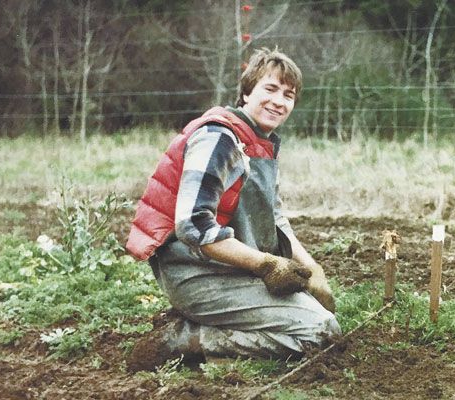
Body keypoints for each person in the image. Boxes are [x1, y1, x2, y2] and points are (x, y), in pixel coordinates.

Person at [124, 48, 340, 372]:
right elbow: (194, 226)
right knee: (321, 333)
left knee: (316, 315)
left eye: (289, 95)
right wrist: (267, 264)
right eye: (270, 89)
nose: (279, 101)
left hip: (230, 271)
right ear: (246, 91)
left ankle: (211, 323)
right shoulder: (218, 137)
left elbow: (275, 217)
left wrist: (313, 270)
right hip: (196, 276)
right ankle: (189, 338)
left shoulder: (259, 142)